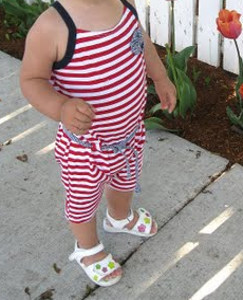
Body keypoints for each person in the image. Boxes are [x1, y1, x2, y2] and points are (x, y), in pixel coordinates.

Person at [20, 0, 176, 287]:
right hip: (85, 150)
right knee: (82, 202)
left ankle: (119, 217)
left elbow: (143, 43)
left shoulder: (123, 5)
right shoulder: (53, 26)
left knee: (125, 182)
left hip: (130, 136)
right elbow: (31, 79)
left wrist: (161, 76)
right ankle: (87, 248)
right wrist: (61, 107)